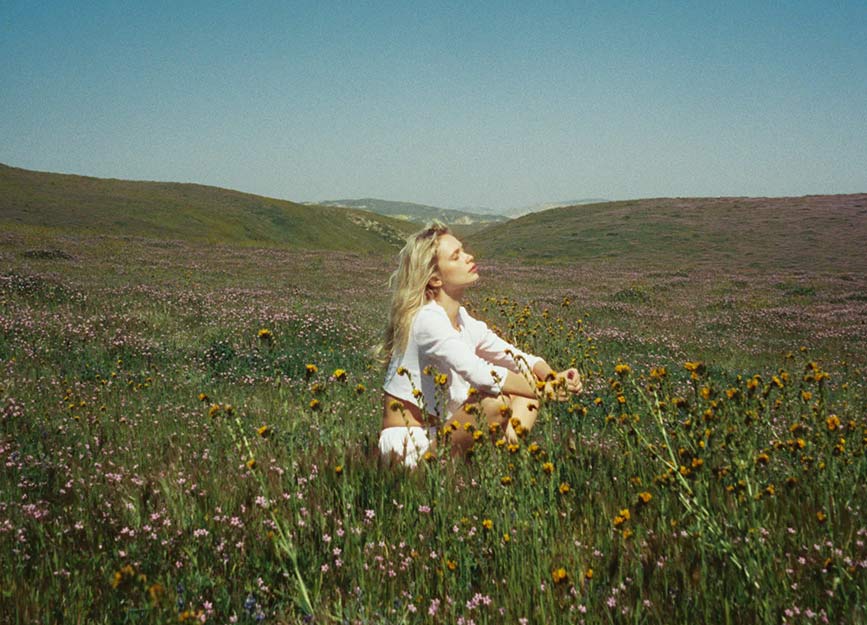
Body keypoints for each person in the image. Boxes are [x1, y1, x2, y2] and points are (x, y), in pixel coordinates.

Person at [376, 221, 582, 468]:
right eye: (456, 256)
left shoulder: (462, 319)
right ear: (435, 279)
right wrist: (544, 389)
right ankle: (493, 464)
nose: (468, 257)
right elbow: (480, 373)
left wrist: (551, 377)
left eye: (463, 251)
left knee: (524, 393)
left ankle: (510, 458)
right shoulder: (427, 319)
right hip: (408, 444)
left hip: (443, 433)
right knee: (495, 401)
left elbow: (515, 356)